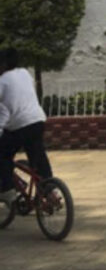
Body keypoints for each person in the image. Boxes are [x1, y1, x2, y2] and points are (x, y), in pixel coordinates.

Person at [0, 47, 52, 206]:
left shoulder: (2, 81)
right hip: (38, 120)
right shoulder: (24, 73)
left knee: (3, 155)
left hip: (20, 125)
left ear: (3, 64)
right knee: (37, 156)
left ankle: (8, 190)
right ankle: (50, 189)